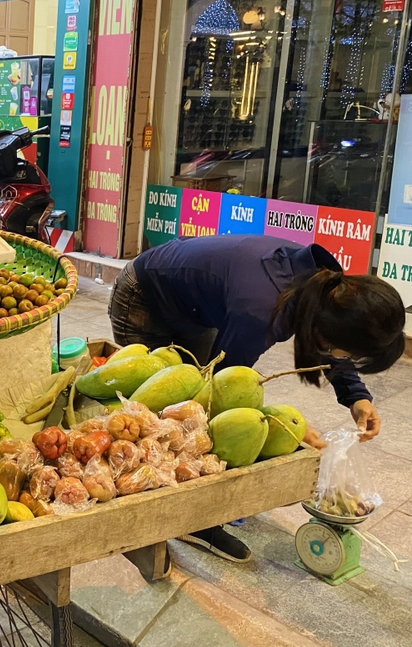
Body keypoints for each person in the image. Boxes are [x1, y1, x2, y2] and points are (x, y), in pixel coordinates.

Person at [110, 234, 404, 563]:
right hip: (144, 294)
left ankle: (193, 513)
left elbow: (327, 338)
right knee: (161, 423)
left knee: (193, 414)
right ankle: (149, 524)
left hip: (194, 305)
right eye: (350, 350)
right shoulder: (260, 309)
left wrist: (356, 396)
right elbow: (224, 395)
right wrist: (288, 428)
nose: (345, 355)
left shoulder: (327, 290)